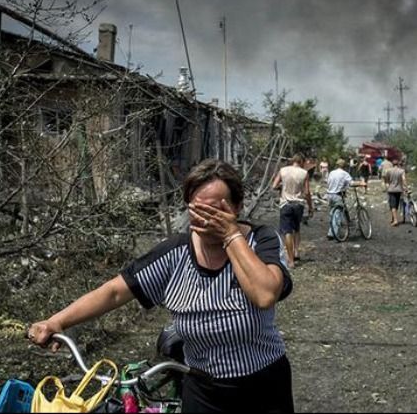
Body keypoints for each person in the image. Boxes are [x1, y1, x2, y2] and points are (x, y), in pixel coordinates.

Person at [28, 159, 295, 413]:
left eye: (215, 210)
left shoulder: (261, 242)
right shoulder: (176, 253)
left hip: (263, 386)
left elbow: (264, 294)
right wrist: (57, 321)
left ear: (237, 207)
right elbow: (115, 291)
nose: (205, 220)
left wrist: (230, 235)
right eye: (197, 210)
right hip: (202, 387)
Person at [272, 154, 313, 268]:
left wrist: (282, 186)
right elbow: (307, 192)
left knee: (287, 232)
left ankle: (290, 260)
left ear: (293, 161)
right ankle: (296, 251)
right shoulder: (304, 173)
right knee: (297, 228)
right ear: (301, 162)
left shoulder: (283, 170)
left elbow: (274, 186)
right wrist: (310, 207)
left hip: (286, 204)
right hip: (298, 204)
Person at [326, 158, 367, 239]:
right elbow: (351, 183)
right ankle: (331, 234)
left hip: (329, 194)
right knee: (337, 215)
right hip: (337, 195)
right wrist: (360, 183)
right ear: (344, 166)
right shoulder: (344, 174)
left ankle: (332, 230)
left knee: (332, 213)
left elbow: (329, 182)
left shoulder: (331, 172)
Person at [383, 159, 407, 226]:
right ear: (398, 164)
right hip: (399, 190)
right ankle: (393, 218)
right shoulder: (401, 171)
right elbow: (404, 179)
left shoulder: (388, 171)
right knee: (396, 204)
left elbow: (386, 180)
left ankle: (395, 220)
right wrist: (406, 187)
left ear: (392, 164)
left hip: (391, 190)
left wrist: (387, 186)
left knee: (392, 205)